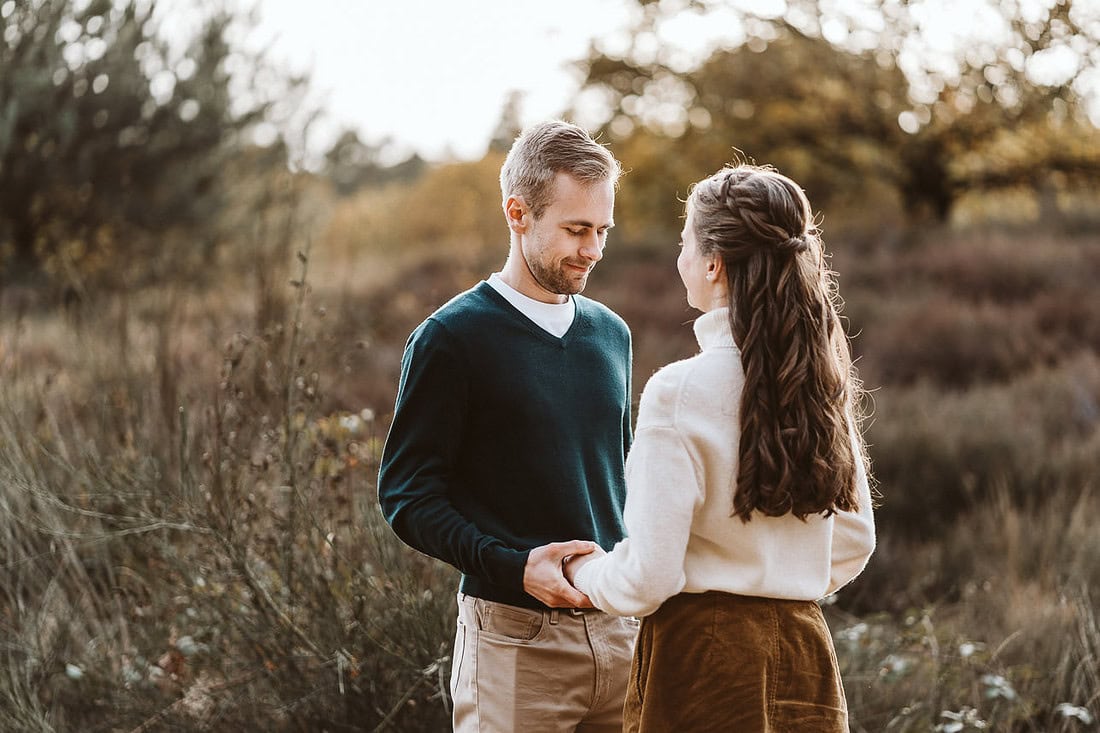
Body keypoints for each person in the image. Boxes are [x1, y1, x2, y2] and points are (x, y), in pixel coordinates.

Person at [565, 163, 877, 732]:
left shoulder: (680, 392)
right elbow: (856, 538)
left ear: (713, 263)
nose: (679, 259)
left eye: (685, 243)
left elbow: (648, 578)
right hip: (806, 651)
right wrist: (781, 575)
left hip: (704, 661)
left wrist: (586, 572)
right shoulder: (818, 378)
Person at [377, 120, 636, 732]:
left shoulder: (613, 335)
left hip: (622, 631)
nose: (593, 249)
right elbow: (407, 496)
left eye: (602, 231)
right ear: (518, 213)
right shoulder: (451, 339)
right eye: (576, 230)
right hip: (514, 646)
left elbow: (620, 481)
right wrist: (514, 564)